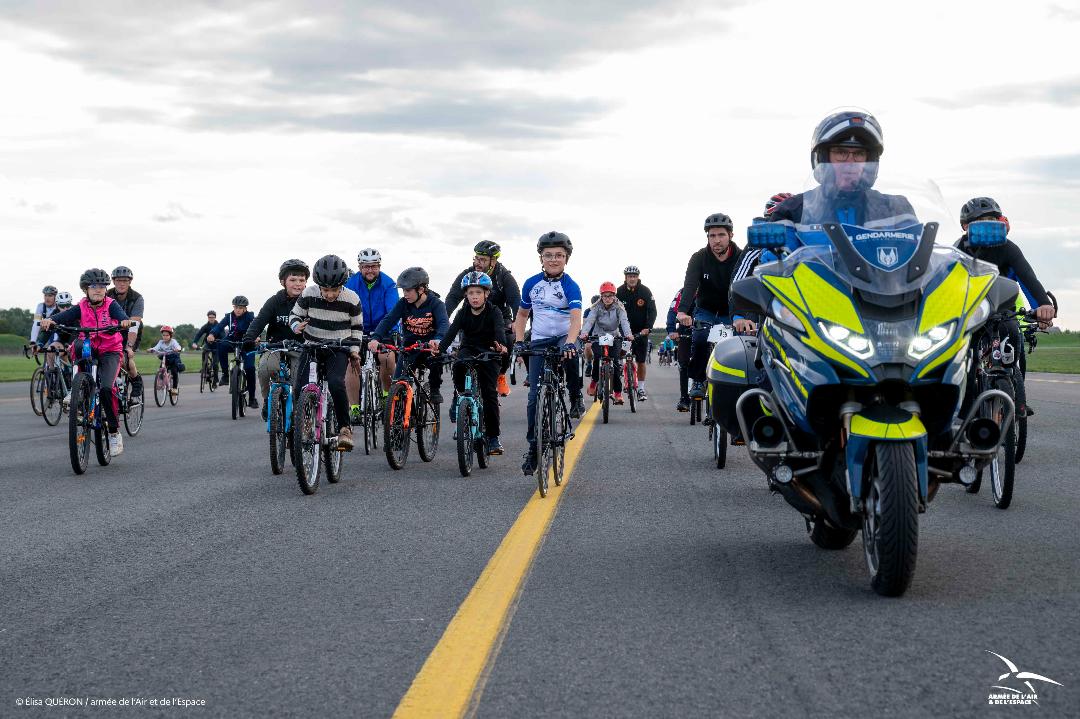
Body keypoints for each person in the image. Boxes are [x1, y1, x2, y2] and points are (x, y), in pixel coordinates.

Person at [765, 109, 916, 260]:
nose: (850, 163)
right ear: (824, 158)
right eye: (840, 153)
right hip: (816, 284)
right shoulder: (792, 211)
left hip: (887, 284)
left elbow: (922, 261)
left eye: (859, 154)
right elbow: (777, 267)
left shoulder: (896, 210)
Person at [955, 197, 1056, 415]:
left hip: (1002, 311)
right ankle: (964, 407)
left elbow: (1028, 278)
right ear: (965, 226)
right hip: (971, 315)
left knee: (1014, 337)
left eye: (993, 218)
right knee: (966, 360)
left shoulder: (1009, 248)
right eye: (982, 220)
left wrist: (1044, 305)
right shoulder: (958, 250)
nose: (989, 224)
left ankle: (1018, 395)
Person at [40, 268, 133, 456]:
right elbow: (63, 317)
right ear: (85, 290)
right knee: (78, 345)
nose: (98, 290)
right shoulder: (81, 306)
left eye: (102, 286)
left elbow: (122, 317)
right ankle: (77, 390)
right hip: (89, 346)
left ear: (106, 289)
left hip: (110, 351)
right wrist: (50, 320)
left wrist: (124, 322)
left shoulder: (111, 304)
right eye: (93, 287)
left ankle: (114, 433)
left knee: (107, 388)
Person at [513, 231, 584, 475]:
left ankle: (576, 397)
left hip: (565, 336)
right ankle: (534, 447)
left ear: (566, 259)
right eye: (548, 255)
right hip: (540, 339)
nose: (553, 259)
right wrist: (520, 340)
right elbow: (521, 316)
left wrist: (571, 343)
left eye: (559, 256)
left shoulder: (570, 286)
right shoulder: (531, 283)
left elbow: (576, 318)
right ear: (541, 258)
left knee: (571, 356)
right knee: (534, 396)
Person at [290, 255, 364, 451]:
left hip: (338, 348)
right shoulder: (308, 294)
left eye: (334, 290)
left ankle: (344, 428)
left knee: (336, 383)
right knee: (300, 387)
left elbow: (357, 328)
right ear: (318, 285)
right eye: (325, 290)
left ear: (342, 285)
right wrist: (296, 326)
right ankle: (303, 425)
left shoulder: (352, 298)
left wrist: (354, 351)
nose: (330, 295)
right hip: (312, 345)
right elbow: (294, 315)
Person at [439, 271, 508, 455]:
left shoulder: (494, 311)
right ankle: (460, 398)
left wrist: (500, 345)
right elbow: (451, 333)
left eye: (478, 292)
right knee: (458, 365)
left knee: (489, 394)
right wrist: (439, 350)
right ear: (466, 296)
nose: (474, 297)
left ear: (486, 294)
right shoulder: (463, 313)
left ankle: (493, 438)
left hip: (490, 350)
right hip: (469, 348)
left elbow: (500, 331)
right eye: (470, 293)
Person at [677, 213, 742, 399]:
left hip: (733, 312)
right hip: (706, 310)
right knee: (699, 339)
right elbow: (690, 286)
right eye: (712, 236)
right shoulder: (699, 258)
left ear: (730, 235)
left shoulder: (741, 256)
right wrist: (682, 311)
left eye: (721, 235)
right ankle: (698, 380)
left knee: (741, 346)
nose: (717, 240)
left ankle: (737, 384)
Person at [444, 241, 520, 397]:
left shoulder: (503, 276)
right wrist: (444, 319)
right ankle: (459, 398)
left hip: (498, 318)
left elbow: (515, 299)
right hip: (473, 316)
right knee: (462, 359)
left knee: (509, 337)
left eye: (483, 260)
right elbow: (452, 297)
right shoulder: (468, 274)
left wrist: (516, 322)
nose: (478, 263)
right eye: (476, 258)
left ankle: (501, 375)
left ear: (493, 261)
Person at [367, 267, 449, 412]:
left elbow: (444, 323)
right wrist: (376, 338)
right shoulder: (403, 303)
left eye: (408, 290)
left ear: (421, 289)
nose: (405, 294)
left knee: (436, 361)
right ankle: (400, 417)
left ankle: (434, 389)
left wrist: (438, 339)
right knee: (398, 382)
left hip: (430, 346)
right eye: (403, 290)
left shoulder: (436, 303)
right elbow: (389, 319)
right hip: (410, 347)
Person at [243, 259, 309, 420]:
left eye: (301, 280)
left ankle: (297, 409)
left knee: (298, 379)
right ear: (283, 282)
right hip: (275, 346)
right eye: (293, 280)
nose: (297, 284)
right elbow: (259, 321)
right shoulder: (274, 301)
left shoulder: (310, 301)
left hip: (300, 348)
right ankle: (268, 399)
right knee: (266, 367)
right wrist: (249, 338)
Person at [344, 248, 399, 403]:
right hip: (357, 329)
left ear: (379, 266)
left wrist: (386, 332)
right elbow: (345, 309)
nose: (370, 270)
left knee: (387, 358)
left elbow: (393, 312)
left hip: (383, 330)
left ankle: (386, 397)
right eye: (366, 266)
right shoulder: (351, 283)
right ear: (360, 267)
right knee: (351, 363)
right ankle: (353, 407)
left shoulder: (389, 284)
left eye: (373, 266)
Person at [579, 282, 632, 404]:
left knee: (615, 363)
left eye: (610, 296)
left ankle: (618, 393)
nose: (607, 298)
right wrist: (584, 333)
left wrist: (628, 334)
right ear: (601, 296)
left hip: (614, 336)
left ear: (614, 296)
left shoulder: (619, 308)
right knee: (597, 357)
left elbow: (624, 322)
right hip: (599, 336)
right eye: (605, 296)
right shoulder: (596, 307)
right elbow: (590, 321)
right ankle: (594, 382)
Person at [207, 296, 257, 408]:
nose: (238, 310)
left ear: (245, 308)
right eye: (236, 307)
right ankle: (225, 374)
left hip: (247, 343)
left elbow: (256, 326)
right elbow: (219, 326)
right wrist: (212, 334)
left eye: (240, 308)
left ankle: (252, 398)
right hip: (232, 340)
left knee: (250, 368)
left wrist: (256, 336)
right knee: (221, 345)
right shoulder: (229, 316)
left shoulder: (250, 316)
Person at [616, 265, 657, 401]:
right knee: (619, 356)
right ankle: (621, 380)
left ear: (638, 277)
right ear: (625, 278)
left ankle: (640, 389)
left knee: (640, 361)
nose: (632, 278)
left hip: (641, 331)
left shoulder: (645, 291)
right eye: (629, 276)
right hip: (623, 331)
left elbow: (652, 311)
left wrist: (648, 328)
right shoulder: (619, 292)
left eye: (634, 276)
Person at [106, 266, 145, 399]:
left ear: (130, 282)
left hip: (131, 330)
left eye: (125, 281)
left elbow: (134, 325)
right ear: (113, 281)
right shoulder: (106, 295)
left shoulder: (137, 298)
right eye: (118, 281)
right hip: (111, 330)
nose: (121, 284)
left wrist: (129, 346)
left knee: (124, 357)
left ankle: (136, 380)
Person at [666, 288, 693, 411]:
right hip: (686, 331)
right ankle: (684, 399)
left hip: (709, 329)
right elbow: (672, 311)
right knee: (684, 364)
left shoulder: (713, 287)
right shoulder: (683, 292)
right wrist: (671, 330)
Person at [148, 326, 184, 397]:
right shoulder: (161, 342)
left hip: (173, 358)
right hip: (165, 357)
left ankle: (174, 388)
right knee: (161, 369)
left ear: (170, 335)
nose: (165, 337)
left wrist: (177, 349)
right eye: (163, 335)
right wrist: (151, 349)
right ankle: (160, 382)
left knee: (174, 371)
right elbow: (156, 348)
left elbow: (178, 346)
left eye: (167, 335)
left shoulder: (173, 341)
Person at [192, 310, 219, 382]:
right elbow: (199, 334)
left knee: (215, 364)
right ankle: (204, 368)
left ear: (215, 317)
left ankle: (215, 379)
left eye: (213, 317)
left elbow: (223, 335)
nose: (211, 319)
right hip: (208, 344)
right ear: (208, 317)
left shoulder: (219, 326)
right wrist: (194, 342)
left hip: (217, 345)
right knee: (204, 352)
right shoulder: (206, 326)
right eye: (210, 317)